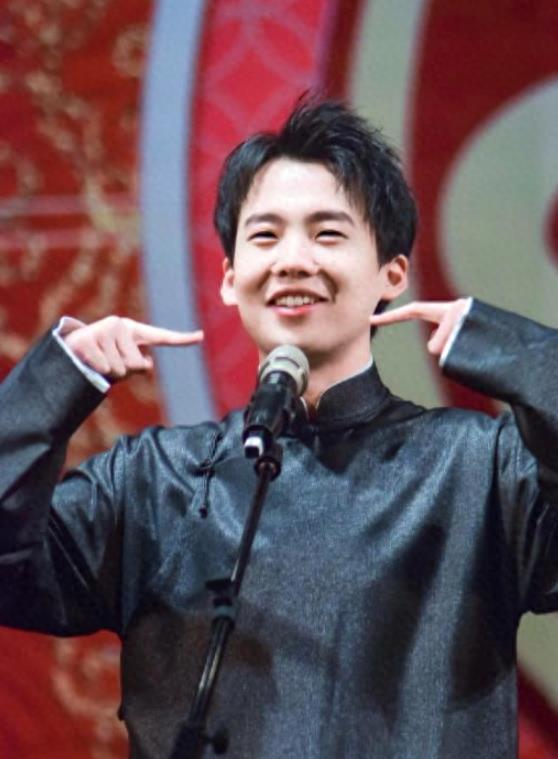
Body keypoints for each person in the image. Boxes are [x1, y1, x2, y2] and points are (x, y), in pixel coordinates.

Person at [0, 100, 557, 759]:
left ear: (393, 274)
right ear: (230, 279)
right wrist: (57, 380)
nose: (292, 260)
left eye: (327, 234)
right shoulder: (154, 482)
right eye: (265, 237)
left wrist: (509, 351)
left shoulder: (478, 470)